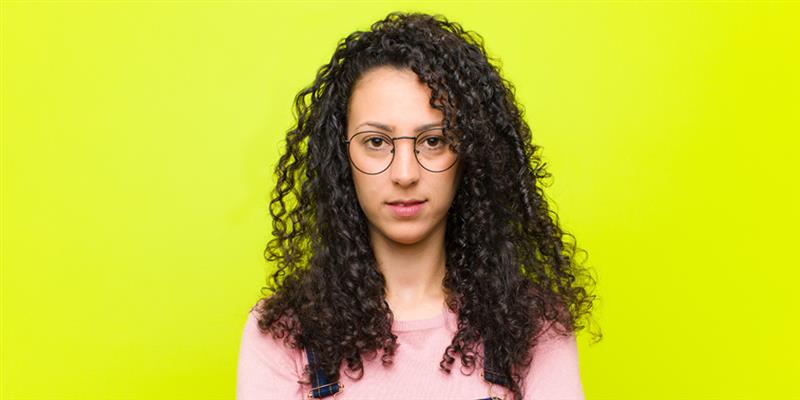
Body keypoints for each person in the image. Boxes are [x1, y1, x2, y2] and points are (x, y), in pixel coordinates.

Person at [236, 11, 599, 400]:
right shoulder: (284, 333)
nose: (405, 173)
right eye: (376, 142)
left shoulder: (534, 327)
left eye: (433, 141)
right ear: (341, 158)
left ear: (470, 155)